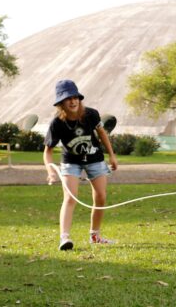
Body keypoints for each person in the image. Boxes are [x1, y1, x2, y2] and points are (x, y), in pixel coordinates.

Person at [43, 80, 119, 251]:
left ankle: (95, 236)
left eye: (75, 97)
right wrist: (50, 170)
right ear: (61, 103)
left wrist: (112, 155)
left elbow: (102, 134)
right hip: (71, 161)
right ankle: (64, 239)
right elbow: (47, 151)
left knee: (100, 196)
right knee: (70, 197)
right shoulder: (57, 123)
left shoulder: (91, 114)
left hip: (95, 159)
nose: (73, 101)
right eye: (68, 98)